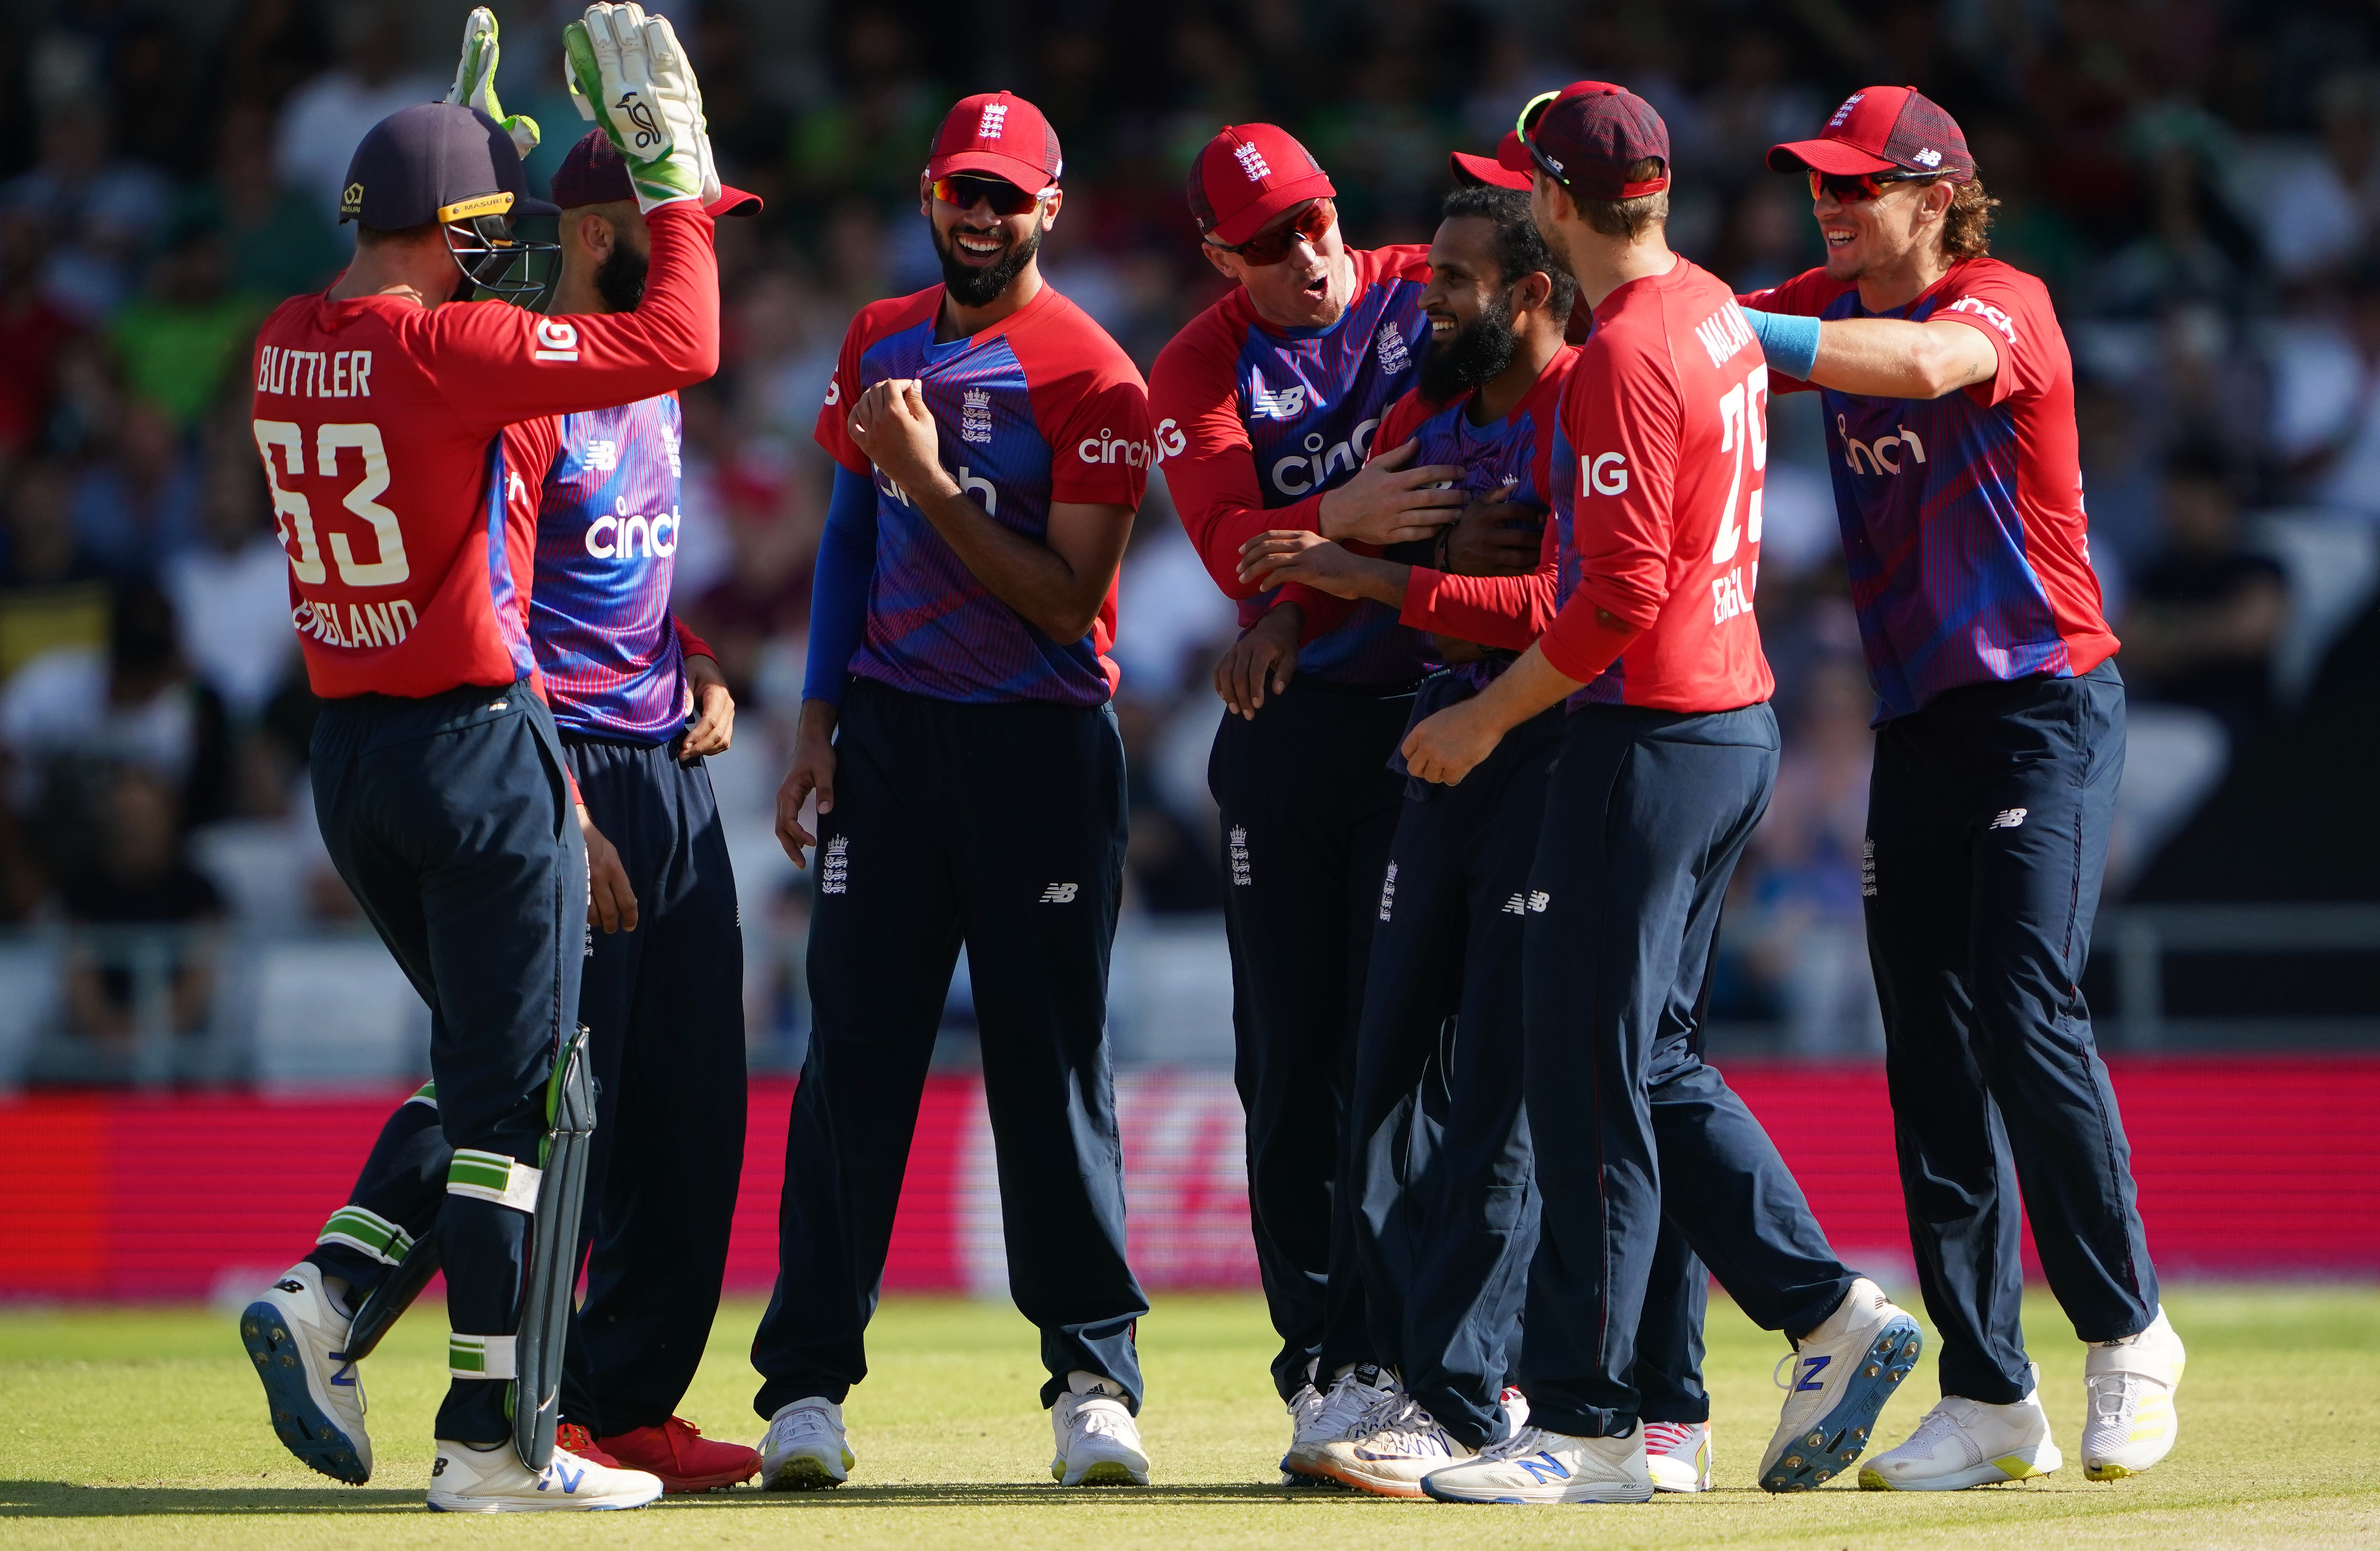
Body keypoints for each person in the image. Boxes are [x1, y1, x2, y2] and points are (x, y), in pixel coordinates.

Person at [1397, 83, 1921, 1507]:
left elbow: (1619, 593)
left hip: (1648, 737)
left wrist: (1482, 723)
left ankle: (1590, 1425)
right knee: (1648, 1062)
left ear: (1556, 205)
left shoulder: (1624, 349)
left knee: (1583, 1075)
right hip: (1722, 725)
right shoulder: (1705, 308)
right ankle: (1820, 1314)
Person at [232, 5, 722, 1512]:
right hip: (476, 747)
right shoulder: (451, 352)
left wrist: (466, 180)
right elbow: (682, 341)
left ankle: (331, 1303)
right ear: (456, 238)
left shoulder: (279, 346)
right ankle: (490, 1444)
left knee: (495, 1072)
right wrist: (681, 188)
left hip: (352, 764)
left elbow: (419, 321)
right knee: (524, 1111)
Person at [1238, 182, 1715, 1497]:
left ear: (1529, 291)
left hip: (1554, 761)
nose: (1425, 300)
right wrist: (1303, 606)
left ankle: (1508, 1395)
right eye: (1432, 272)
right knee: (1386, 1074)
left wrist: (1391, 580)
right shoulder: (1429, 412)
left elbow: (1572, 609)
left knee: (1525, 1080)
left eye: (1452, 280)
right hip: (1437, 753)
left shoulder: (1589, 402)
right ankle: (1400, 1366)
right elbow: (1337, 554)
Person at [1737, 84, 2184, 1490]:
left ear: (1935, 198)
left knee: (2021, 1008)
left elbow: (1921, 373)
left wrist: (1718, 325)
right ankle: (1991, 1398)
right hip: (1920, 723)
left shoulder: (2006, 303)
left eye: (1856, 188)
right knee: (1926, 1056)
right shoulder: (1825, 294)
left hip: (2044, 705)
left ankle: (2128, 1339)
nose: (1830, 208)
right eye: (1820, 189)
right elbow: (1695, 341)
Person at [763, 89, 1155, 1491]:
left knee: (1048, 1073)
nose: (978, 217)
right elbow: (845, 544)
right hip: (889, 747)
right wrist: (814, 730)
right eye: (957, 192)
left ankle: (1093, 1383)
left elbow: (1064, 605)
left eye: (1005, 196)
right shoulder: (878, 338)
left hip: (1040, 755)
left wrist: (927, 474)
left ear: (1050, 210)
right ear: (930, 197)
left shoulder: (1095, 376)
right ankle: (804, 1390)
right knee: (851, 1071)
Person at [1147, 122, 1452, 1475]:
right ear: (1222, 256)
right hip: (1290, 734)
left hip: (1431, 713)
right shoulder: (1198, 364)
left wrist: (1306, 570)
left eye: (1318, 221)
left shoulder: (1415, 280)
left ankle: (1432, 1365)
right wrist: (1348, 525)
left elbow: (1458, 482)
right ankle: (1324, 1369)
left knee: (1414, 1057)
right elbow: (1231, 547)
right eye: (1271, 243)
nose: (1310, 256)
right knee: (1289, 1062)